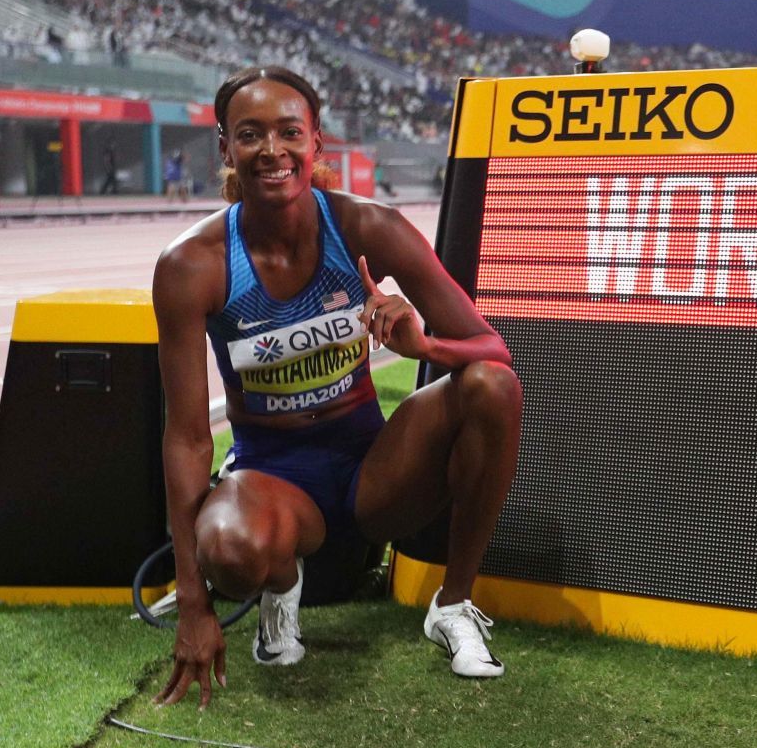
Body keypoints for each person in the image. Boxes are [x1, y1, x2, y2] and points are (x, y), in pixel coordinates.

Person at [152, 66, 523, 709]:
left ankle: (454, 604)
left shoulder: (367, 228)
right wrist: (193, 597)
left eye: (289, 132)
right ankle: (280, 590)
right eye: (251, 135)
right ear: (225, 149)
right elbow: (186, 438)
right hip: (274, 477)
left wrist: (425, 346)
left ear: (317, 143)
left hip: (372, 473)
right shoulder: (193, 264)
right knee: (230, 549)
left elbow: (492, 349)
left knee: (491, 386)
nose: (272, 150)